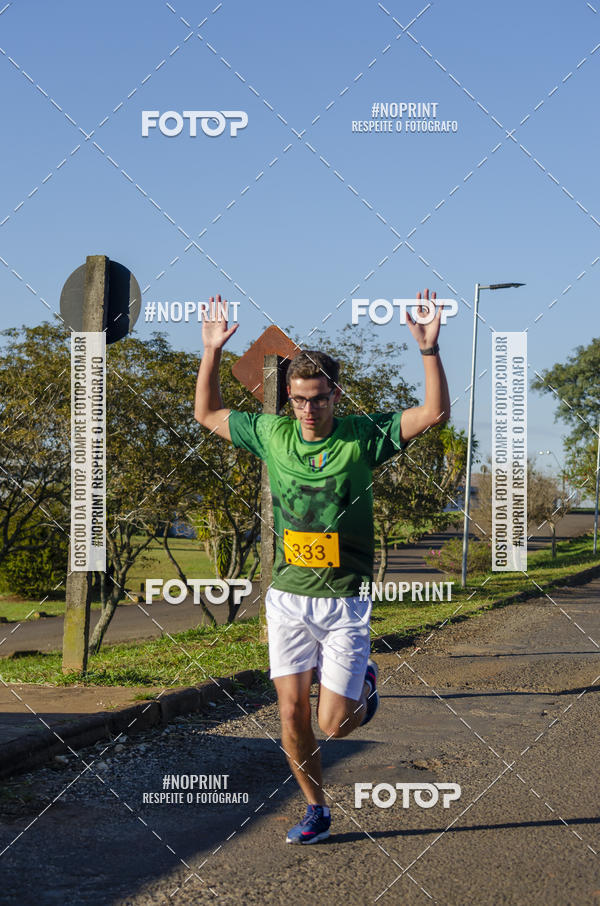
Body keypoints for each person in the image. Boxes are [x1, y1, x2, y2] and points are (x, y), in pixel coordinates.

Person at [194, 289, 451, 844]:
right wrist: (211, 351)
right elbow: (207, 413)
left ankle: (366, 684)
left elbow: (433, 413)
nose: (308, 410)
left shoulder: (363, 439)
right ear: (288, 396)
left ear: (335, 395)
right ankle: (316, 809)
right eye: (299, 400)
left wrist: (429, 351)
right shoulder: (272, 434)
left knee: (333, 725)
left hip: (344, 600)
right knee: (290, 715)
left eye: (318, 399)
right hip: (287, 597)